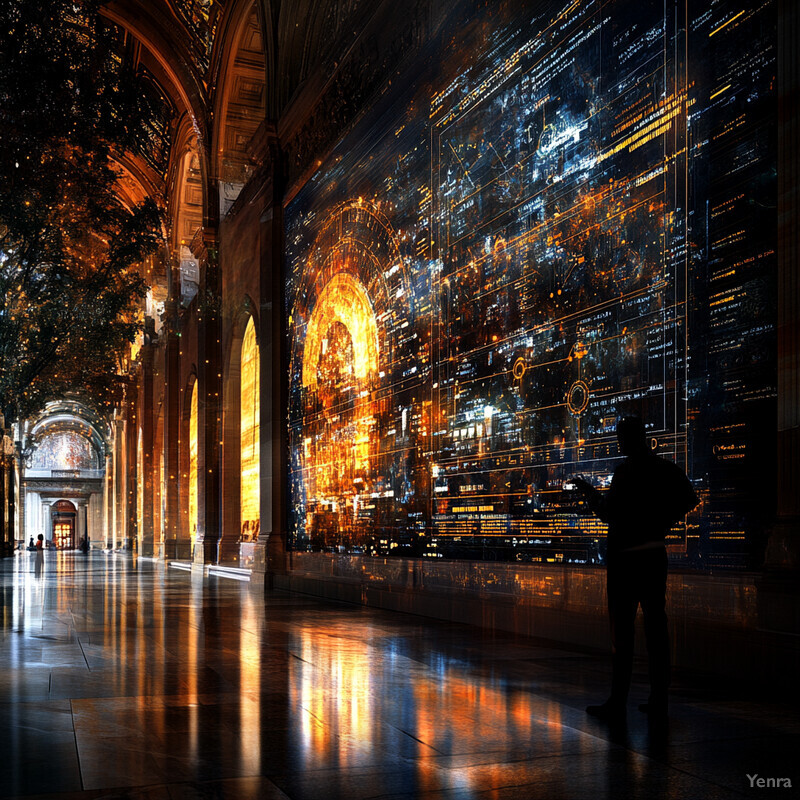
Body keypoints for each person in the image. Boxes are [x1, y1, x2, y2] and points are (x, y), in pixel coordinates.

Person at [573, 416, 698, 720]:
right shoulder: (665, 469)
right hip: (653, 557)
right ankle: (658, 698)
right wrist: (661, 523)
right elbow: (689, 499)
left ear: (631, 438)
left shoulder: (625, 472)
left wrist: (590, 494)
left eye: (621, 437)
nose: (619, 442)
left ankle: (618, 701)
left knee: (622, 635)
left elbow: (608, 513)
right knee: (656, 630)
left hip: (625, 561)